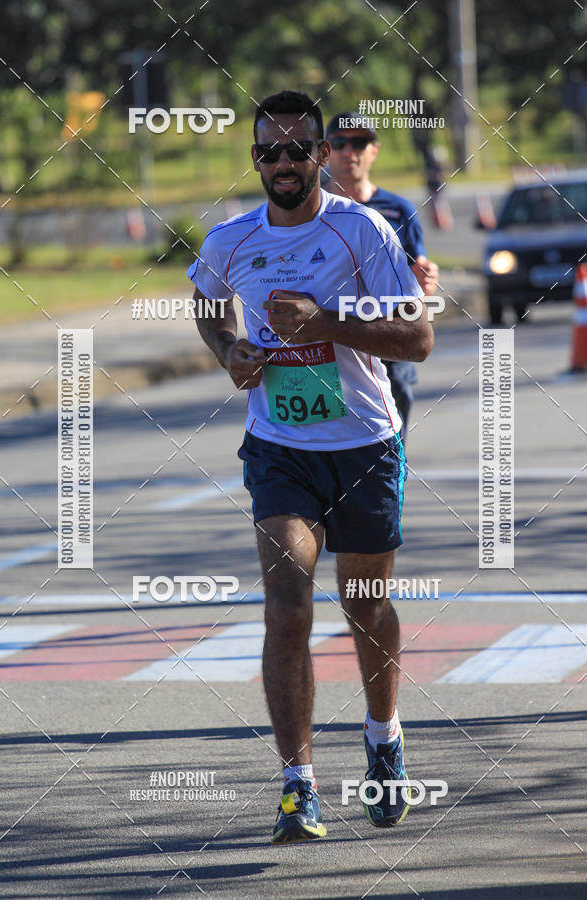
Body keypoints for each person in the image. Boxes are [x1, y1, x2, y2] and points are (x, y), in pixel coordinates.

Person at [188, 91, 433, 844]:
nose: (286, 164)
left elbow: (418, 339)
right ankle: (299, 786)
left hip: (363, 448)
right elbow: (204, 302)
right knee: (288, 606)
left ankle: (384, 736)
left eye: (300, 150)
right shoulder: (231, 240)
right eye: (271, 152)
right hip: (280, 451)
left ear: (322, 155)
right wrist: (228, 348)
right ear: (255, 160)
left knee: (364, 606)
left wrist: (326, 323)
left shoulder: (361, 230)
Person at [323, 112, 439, 443]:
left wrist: (426, 282)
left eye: (359, 142)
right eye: (340, 143)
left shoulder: (398, 209)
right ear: (325, 151)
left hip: (387, 342)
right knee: (328, 446)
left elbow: (420, 274)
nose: (349, 151)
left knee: (389, 447)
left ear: (374, 150)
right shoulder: (311, 209)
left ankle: (389, 491)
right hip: (332, 344)